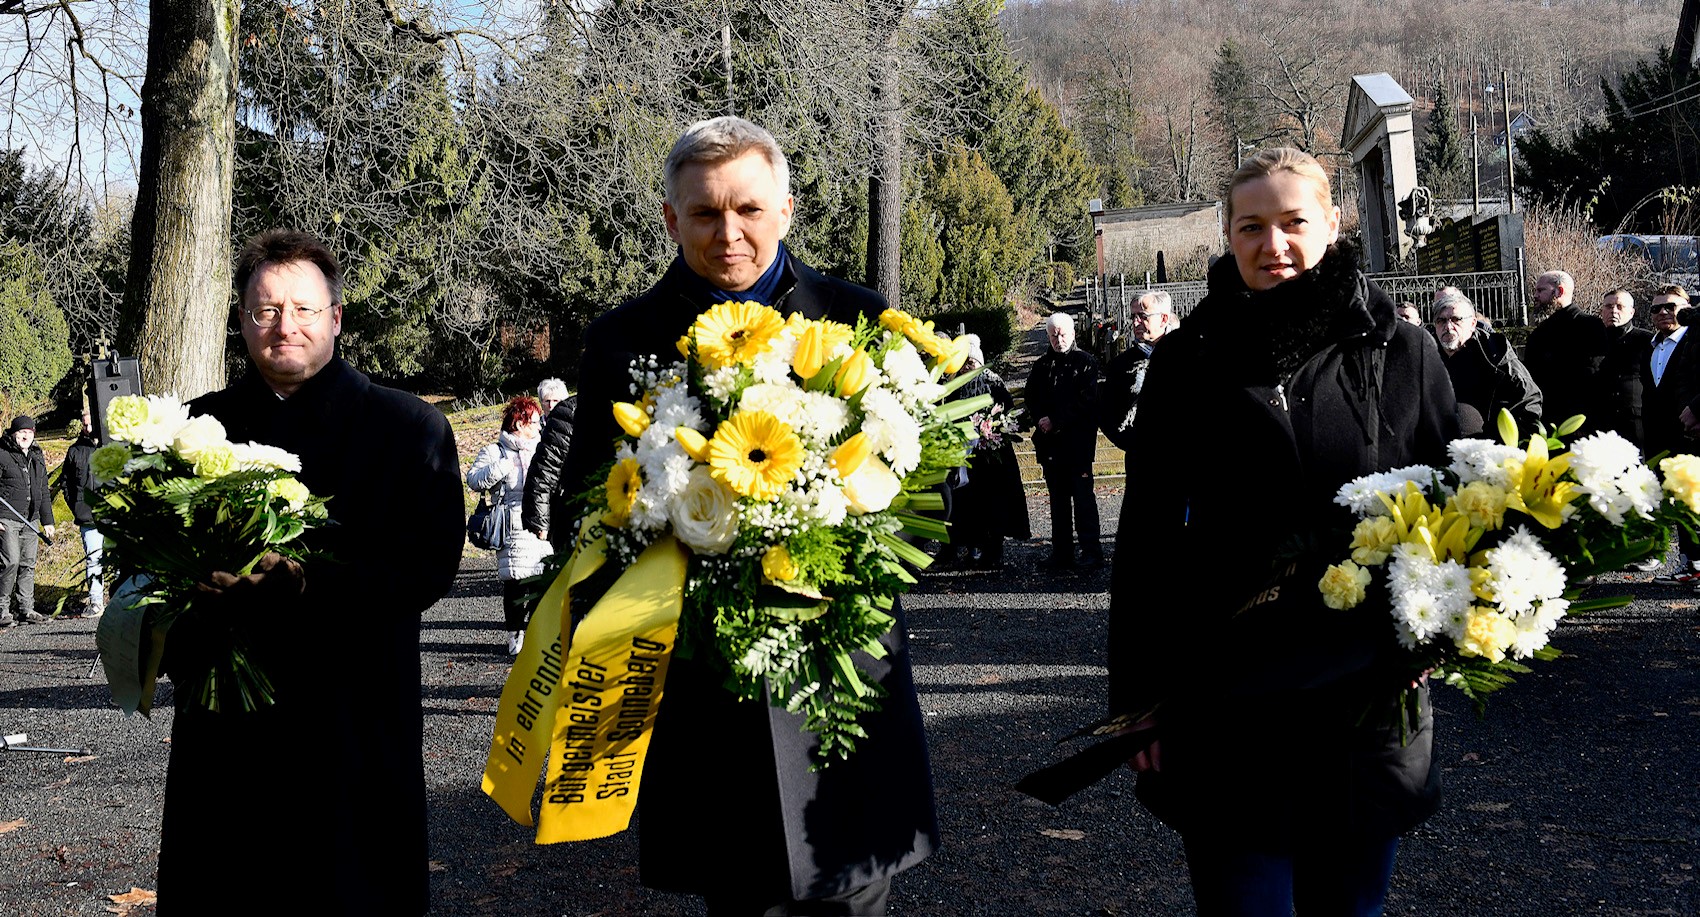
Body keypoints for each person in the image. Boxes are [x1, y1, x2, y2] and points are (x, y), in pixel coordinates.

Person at [561, 116, 938, 915]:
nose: (727, 233)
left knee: (856, 893)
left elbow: (916, 496)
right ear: (670, 219)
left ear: (787, 210)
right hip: (710, 701)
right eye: (703, 213)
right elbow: (586, 511)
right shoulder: (621, 342)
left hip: (840, 684)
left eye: (749, 210)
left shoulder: (855, 317)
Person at [1110, 148, 1456, 915]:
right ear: (1228, 237)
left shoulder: (1404, 352)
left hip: (1367, 701)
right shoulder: (1185, 363)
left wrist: (1438, 633)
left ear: (1332, 222)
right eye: (1252, 227)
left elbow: (1455, 508)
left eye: (1295, 222)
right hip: (1230, 703)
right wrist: (1137, 694)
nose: (1275, 245)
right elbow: (1148, 541)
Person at [159, 230, 465, 914]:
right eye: (265, 310)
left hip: (354, 719)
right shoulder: (194, 429)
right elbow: (156, 571)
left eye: (302, 309)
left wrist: (313, 585)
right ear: (241, 319)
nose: (283, 326)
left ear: (335, 318)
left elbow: (429, 567)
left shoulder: (407, 427)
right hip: (226, 730)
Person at [466, 395, 551, 655]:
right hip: (513, 525)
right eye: (534, 421)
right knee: (516, 582)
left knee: (542, 581)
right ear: (519, 423)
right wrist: (504, 466)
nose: (539, 426)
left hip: (541, 524)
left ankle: (537, 635)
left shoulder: (543, 447)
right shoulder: (496, 451)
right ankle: (515, 636)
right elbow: (473, 480)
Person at [937, 335, 1030, 571]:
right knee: (967, 506)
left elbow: (1007, 411)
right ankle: (970, 547)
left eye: (972, 362)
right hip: (966, 456)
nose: (969, 366)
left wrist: (991, 427)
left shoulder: (993, 382)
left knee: (993, 506)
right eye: (965, 362)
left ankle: (993, 550)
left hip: (992, 457)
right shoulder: (954, 386)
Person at [1026, 311, 1103, 570]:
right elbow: (1031, 398)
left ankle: (1091, 552)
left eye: (1063, 334)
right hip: (1051, 446)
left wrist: (1056, 420)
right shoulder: (1042, 366)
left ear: (1072, 333)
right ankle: (1062, 553)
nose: (1058, 339)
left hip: (1077, 444)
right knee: (1058, 502)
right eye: (1053, 335)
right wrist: (1040, 419)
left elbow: (1086, 401)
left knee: (1083, 501)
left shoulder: (1086, 362)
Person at [1643, 286, 1700, 584]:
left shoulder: (1694, 341)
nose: (1664, 312)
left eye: (1672, 307)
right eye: (1657, 308)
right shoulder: (1649, 347)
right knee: (1675, 505)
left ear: (1687, 307)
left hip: (1693, 437)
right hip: (1661, 441)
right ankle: (1689, 564)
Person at [1432, 288, 1542, 437]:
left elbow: (1528, 397)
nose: (1448, 327)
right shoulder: (1427, 355)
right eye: (1441, 321)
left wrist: (1504, 443)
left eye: (1456, 319)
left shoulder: (1494, 353)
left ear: (1472, 323)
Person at [1523, 269, 1606, 431]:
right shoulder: (1539, 333)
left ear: (1559, 291)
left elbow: (1595, 377)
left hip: (1580, 423)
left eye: (1541, 290)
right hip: (1546, 419)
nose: (1535, 296)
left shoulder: (1589, 326)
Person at [1101, 291, 1178, 451]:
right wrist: (1132, 444)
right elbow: (1107, 413)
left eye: (1143, 316)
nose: (1136, 323)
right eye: (1133, 317)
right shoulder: (1121, 365)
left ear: (1163, 319)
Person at [0, 414, 52, 626]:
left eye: (29, 433)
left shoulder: (37, 457)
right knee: (10, 562)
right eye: (22, 432)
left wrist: (48, 521)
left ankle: (26, 609)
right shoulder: (2, 454)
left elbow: (43, 491)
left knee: (28, 564)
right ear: (13, 433)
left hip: (31, 519)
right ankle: (2, 610)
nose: (26, 436)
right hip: (7, 517)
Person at [57, 408, 105, 617]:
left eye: (91, 423)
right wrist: (75, 505)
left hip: (113, 515)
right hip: (87, 516)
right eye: (84, 424)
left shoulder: (111, 444)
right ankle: (96, 602)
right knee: (93, 559)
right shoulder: (74, 451)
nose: (88, 427)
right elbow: (65, 481)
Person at [1592, 289, 1653, 447]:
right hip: (1599, 423)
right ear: (1602, 310)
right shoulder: (1591, 342)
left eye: (1620, 306)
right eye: (1609, 306)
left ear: (1632, 312)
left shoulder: (1647, 341)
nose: (1613, 311)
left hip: (1637, 423)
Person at [522, 380, 577, 547]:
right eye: (547, 401)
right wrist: (540, 523)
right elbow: (544, 473)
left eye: (556, 401)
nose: (551, 405)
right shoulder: (565, 416)